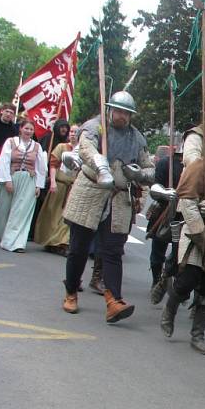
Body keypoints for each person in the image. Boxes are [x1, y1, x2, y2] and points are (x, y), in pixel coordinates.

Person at [61, 91, 154, 322]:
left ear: (131, 115)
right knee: (78, 248)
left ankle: (114, 301)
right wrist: (102, 168)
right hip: (91, 189)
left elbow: (150, 168)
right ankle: (71, 292)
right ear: (110, 109)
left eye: (126, 113)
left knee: (113, 251)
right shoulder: (95, 127)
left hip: (118, 197)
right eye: (118, 111)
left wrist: (140, 173)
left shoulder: (137, 138)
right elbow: (86, 149)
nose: (121, 116)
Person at [160, 129, 205, 355]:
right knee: (187, 280)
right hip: (196, 233)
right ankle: (170, 309)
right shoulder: (200, 166)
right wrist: (201, 235)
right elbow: (187, 202)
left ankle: (197, 335)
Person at [0, 118, 47, 252]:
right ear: (20, 129)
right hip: (12, 176)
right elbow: (3, 161)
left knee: (21, 211)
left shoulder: (37, 147)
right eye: (26, 128)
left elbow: (40, 167)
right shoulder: (11, 142)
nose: (28, 131)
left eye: (31, 129)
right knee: (3, 208)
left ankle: (14, 242)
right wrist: (6, 180)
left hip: (28, 180)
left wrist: (38, 185)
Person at [147, 144, 184, 303]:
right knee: (158, 251)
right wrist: (165, 193)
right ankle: (157, 280)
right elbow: (156, 186)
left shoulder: (196, 165)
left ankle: (172, 281)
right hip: (165, 211)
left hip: (184, 213)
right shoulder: (165, 164)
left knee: (179, 254)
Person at [35, 122, 77, 255]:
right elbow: (53, 165)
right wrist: (52, 182)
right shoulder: (61, 147)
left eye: (76, 132)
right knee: (52, 215)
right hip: (58, 185)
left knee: (66, 218)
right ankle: (50, 242)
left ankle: (62, 243)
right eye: (71, 132)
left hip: (72, 188)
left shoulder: (82, 151)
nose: (73, 134)